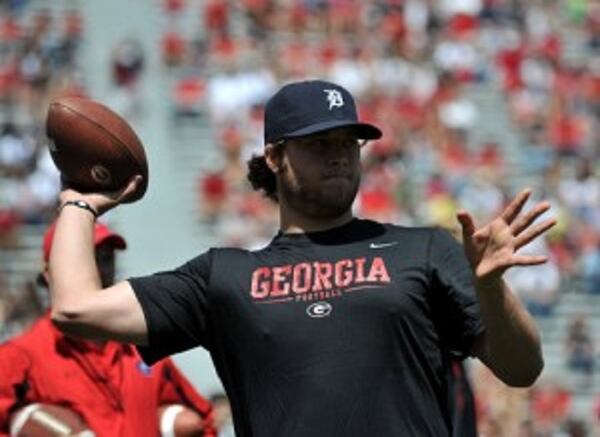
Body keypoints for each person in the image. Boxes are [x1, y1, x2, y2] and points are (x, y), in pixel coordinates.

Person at [48, 79, 556, 436]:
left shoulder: (424, 249)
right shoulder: (224, 276)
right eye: (320, 143)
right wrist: (79, 200)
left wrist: (492, 290)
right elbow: (75, 309)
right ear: (274, 156)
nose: (339, 153)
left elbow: (521, 369)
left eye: (349, 142)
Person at [0, 222, 215, 437]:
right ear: (49, 274)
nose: (100, 270)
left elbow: (202, 422)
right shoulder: (19, 355)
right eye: (86, 259)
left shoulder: (142, 343)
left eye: (106, 258)